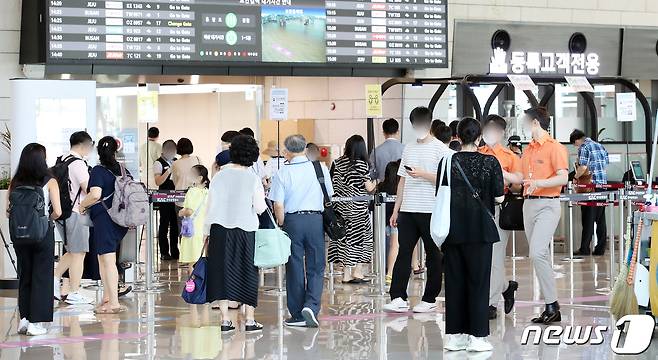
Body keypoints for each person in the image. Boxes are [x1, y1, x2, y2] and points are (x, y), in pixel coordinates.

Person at [442, 118, 504, 352]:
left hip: (453, 229)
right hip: (480, 230)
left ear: (457, 136)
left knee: (455, 281)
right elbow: (498, 197)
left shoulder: (447, 161)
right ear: (479, 138)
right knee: (479, 283)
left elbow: (442, 192)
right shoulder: (490, 162)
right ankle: (477, 337)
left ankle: (455, 336)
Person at [384, 106, 452, 313]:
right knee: (404, 252)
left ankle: (430, 298)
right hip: (409, 210)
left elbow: (446, 180)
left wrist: (423, 174)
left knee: (433, 254)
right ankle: (398, 296)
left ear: (429, 124)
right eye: (415, 125)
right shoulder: (409, 147)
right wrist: (397, 209)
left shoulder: (442, 149)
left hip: (431, 210)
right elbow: (402, 181)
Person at [269, 134, 333, 328]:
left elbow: (278, 204)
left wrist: (281, 223)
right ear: (305, 149)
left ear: (287, 151)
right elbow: (329, 194)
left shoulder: (282, 173)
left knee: (294, 266)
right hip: (315, 220)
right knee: (316, 265)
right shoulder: (319, 167)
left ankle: (296, 314)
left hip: (293, 221)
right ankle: (311, 306)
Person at [205, 135, 267, 334]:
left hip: (219, 230)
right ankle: (249, 319)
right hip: (245, 230)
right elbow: (259, 207)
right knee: (247, 272)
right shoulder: (252, 178)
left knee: (221, 272)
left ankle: (224, 320)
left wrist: (205, 233)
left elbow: (210, 207)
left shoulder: (219, 176)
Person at [520, 107, 568, 324]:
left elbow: (563, 178)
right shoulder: (528, 150)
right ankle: (552, 305)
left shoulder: (554, 147)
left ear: (536, 123)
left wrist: (539, 183)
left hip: (548, 204)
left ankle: (552, 304)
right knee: (539, 255)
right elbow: (521, 177)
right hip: (528, 205)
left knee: (537, 253)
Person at [9, 143, 62, 336]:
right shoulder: (49, 181)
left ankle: (24, 319)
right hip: (42, 234)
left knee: (25, 275)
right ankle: (37, 323)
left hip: (20, 235)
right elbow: (57, 211)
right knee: (42, 276)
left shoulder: (16, 181)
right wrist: (46, 220)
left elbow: (9, 212)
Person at [479, 115, 523, 320]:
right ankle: (506, 287)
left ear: (502, 133)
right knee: (482, 256)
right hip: (478, 209)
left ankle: (490, 303)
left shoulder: (510, 156)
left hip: (499, 208)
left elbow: (518, 185)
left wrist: (503, 174)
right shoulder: (477, 153)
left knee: (495, 257)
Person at [80, 136, 129, 314]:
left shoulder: (99, 171)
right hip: (120, 220)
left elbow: (95, 194)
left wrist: (82, 205)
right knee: (104, 259)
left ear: (98, 152)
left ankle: (114, 302)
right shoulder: (123, 170)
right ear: (116, 151)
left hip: (105, 219)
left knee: (107, 261)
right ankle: (107, 297)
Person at [328, 135, 377, 283]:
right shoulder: (362, 165)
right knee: (360, 239)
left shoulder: (336, 163)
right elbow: (369, 188)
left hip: (340, 208)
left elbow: (332, 185)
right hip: (358, 209)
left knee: (344, 239)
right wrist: (378, 181)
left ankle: (346, 274)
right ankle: (358, 272)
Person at [53, 131, 95, 305]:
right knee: (79, 253)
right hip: (77, 212)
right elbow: (88, 189)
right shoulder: (78, 164)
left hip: (63, 212)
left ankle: (53, 281)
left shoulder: (61, 159)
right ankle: (74, 291)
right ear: (84, 145)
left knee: (72, 251)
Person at [570, 129, 609, 256]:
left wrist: (575, 177)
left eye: (575, 144)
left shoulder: (584, 147)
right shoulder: (600, 146)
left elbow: (583, 167)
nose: (576, 146)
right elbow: (606, 162)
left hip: (590, 187)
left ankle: (584, 248)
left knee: (588, 219)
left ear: (576, 140)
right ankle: (600, 248)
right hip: (602, 186)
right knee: (601, 219)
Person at [178, 165, 210, 268]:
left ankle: (192, 284)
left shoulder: (192, 191)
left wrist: (181, 212)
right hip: (205, 231)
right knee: (203, 261)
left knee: (192, 264)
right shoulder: (207, 192)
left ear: (199, 178)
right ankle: (202, 283)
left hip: (192, 231)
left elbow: (189, 211)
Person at [154, 140, 179, 261]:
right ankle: (164, 252)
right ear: (163, 150)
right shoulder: (158, 163)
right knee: (164, 224)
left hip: (176, 196)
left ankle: (175, 251)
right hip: (163, 196)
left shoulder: (176, 161)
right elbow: (158, 181)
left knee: (175, 224)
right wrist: (169, 171)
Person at [378, 160, 401, 285]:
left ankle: (382, 270)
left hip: (381, 221)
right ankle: (390, 273)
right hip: (395, 221)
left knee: (383, 247)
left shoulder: (381, 186)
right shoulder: (399, 188)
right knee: (394, 246)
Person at [172, 138, 202, 209]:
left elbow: (175, 181)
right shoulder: (197, 159)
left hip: (180, 197)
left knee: (181, 219)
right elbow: (202, 175)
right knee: (196, 219)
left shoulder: (175, 163)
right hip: (195, 196)